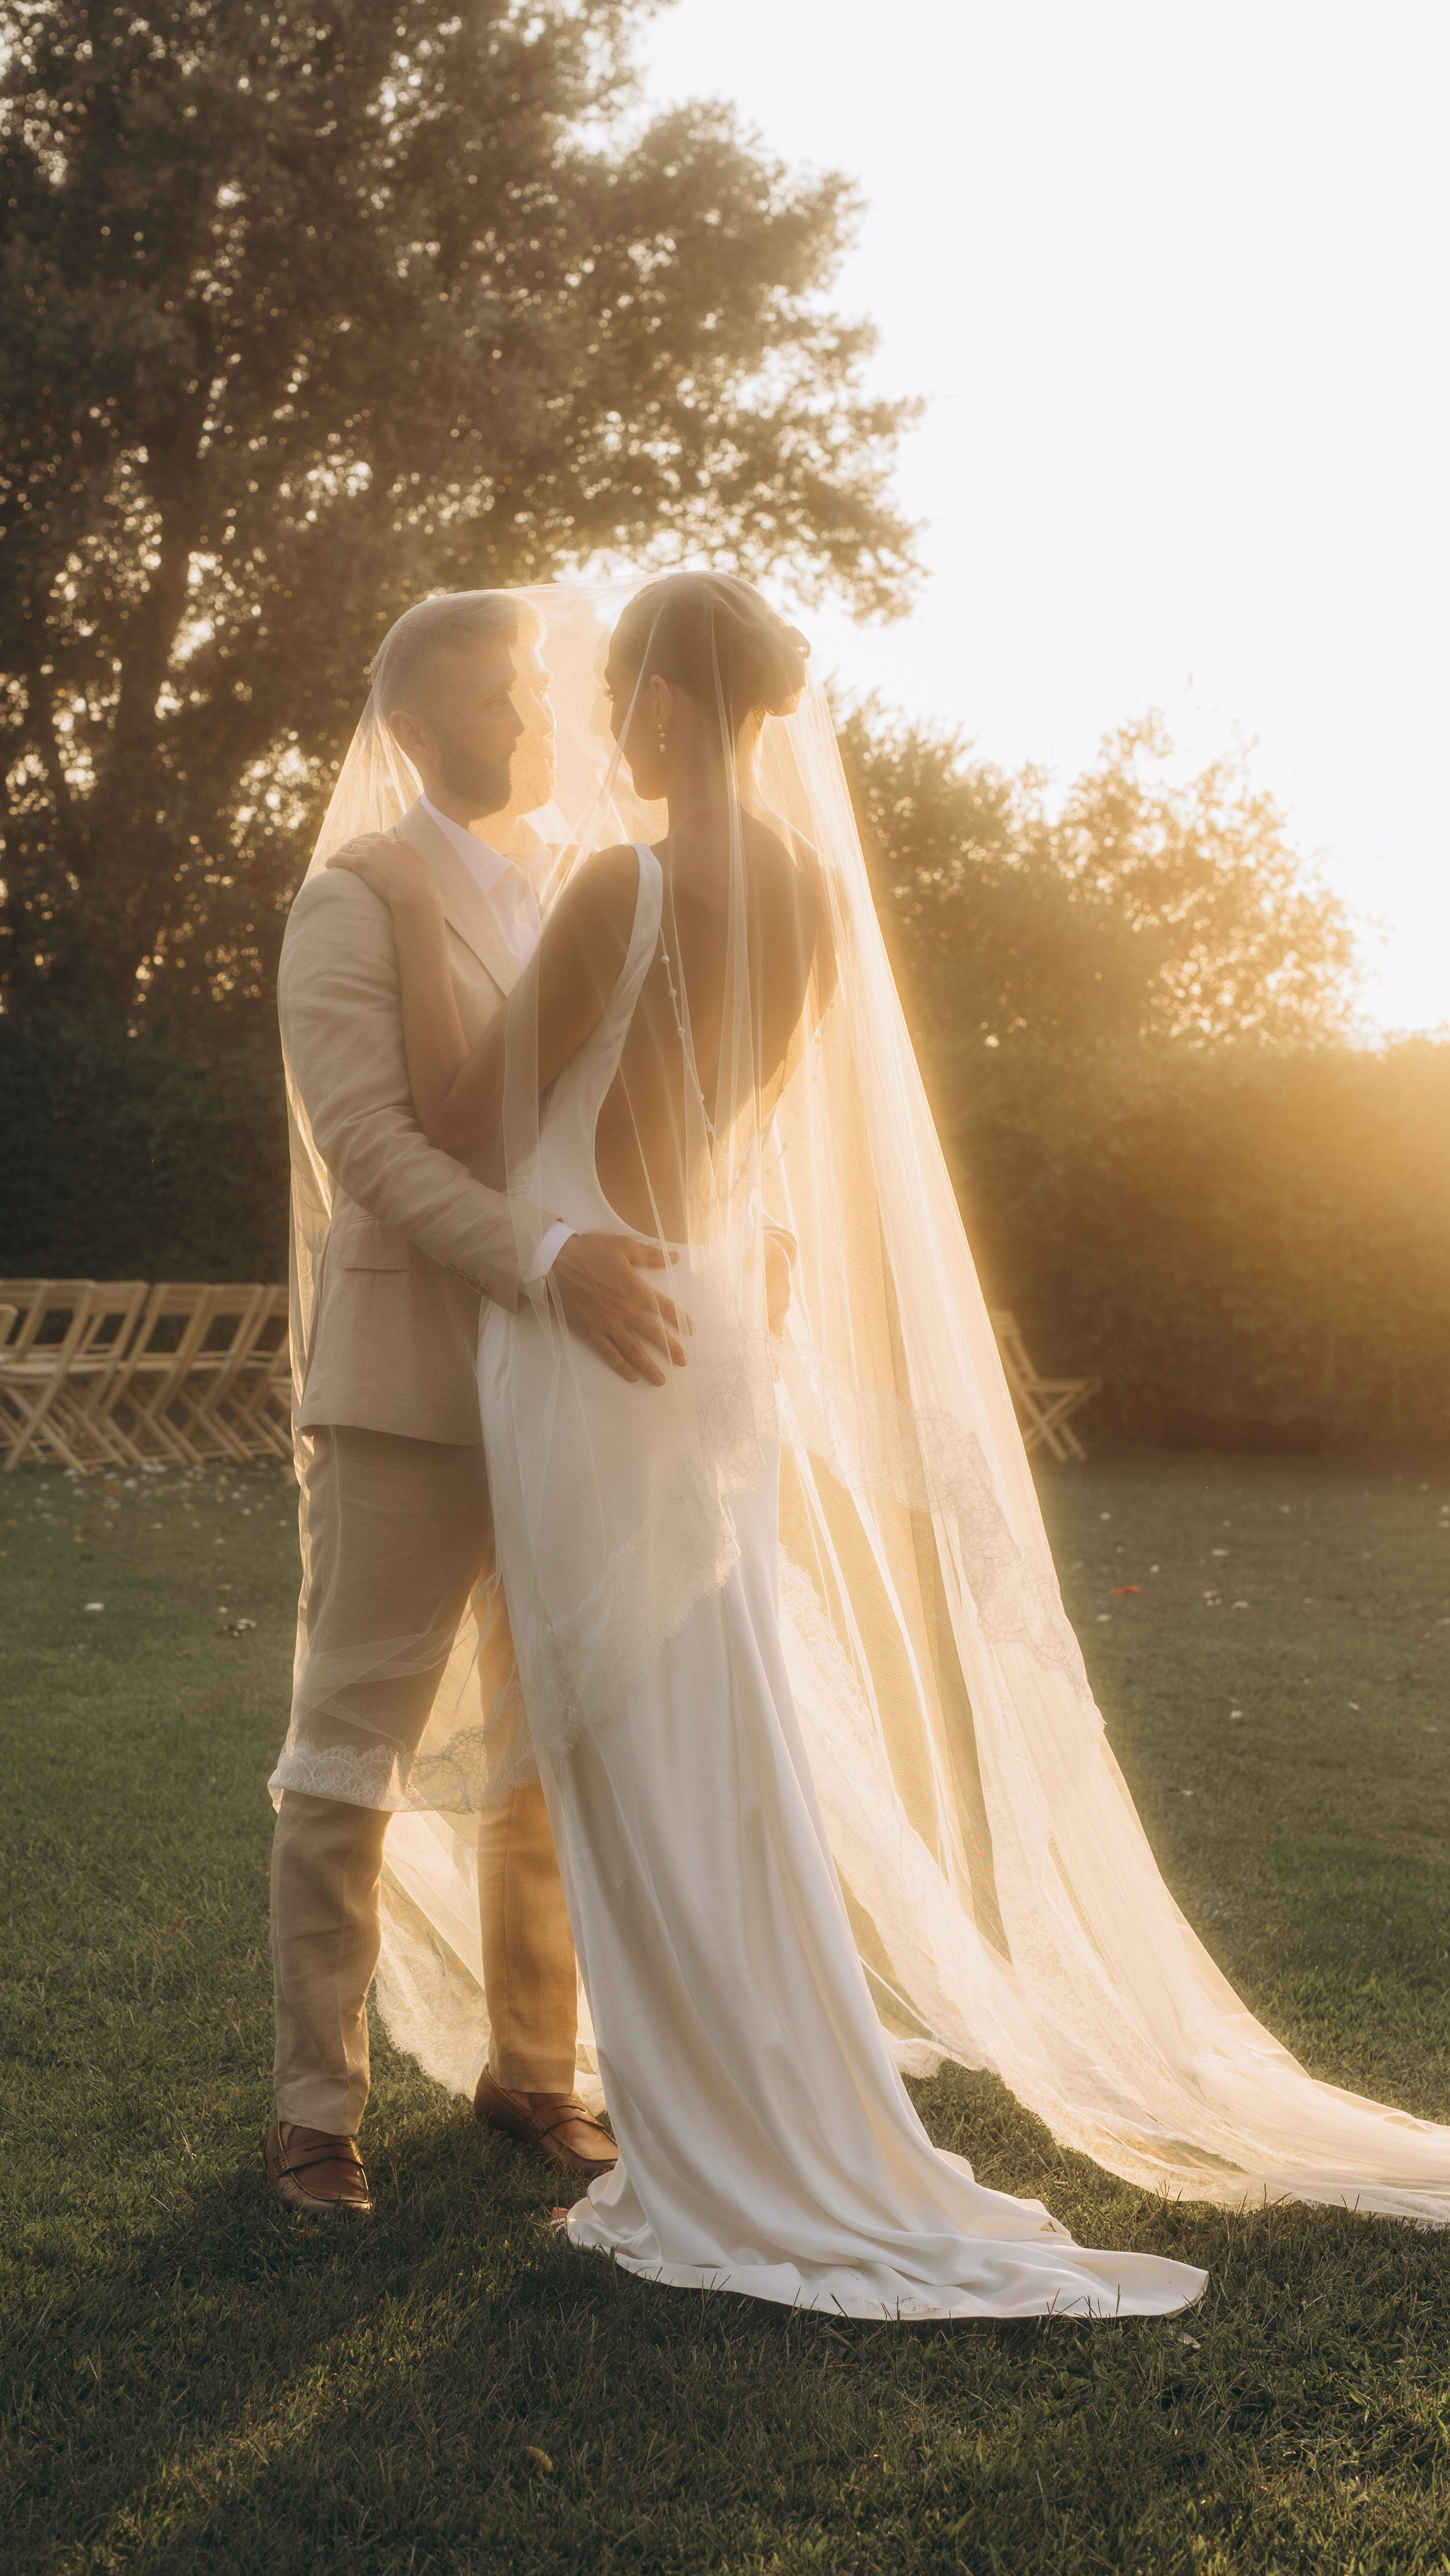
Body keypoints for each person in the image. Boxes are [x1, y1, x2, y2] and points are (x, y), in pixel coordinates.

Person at [329, 571, 1211, 2319]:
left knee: (619, 1739)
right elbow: (736, 1126)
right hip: (709, 1308)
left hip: (590, 1324)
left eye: (608, 695)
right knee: (707, 1724)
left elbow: (457, 1123)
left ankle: (702, 2139)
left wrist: (434, 948)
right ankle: (739, 2086)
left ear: (663, 705)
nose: (585, 723)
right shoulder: (808, 896)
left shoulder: (617, 884)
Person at [267, 590, 691, 2217]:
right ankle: (314, 2113)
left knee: (546, 1743)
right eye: (503, 698)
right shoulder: (349, 897)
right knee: (344, 1746)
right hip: (405, 1388)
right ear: (422, 724)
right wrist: (550, 1260)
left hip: (560, 1386)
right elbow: (368, 1151)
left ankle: (532, 2070)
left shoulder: (555, 895)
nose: (536, 721)